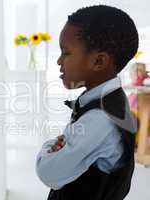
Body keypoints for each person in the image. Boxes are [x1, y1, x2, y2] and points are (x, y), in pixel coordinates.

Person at [36, 5, 138, 200]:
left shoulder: (99, 120)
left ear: (99, 61)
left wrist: (48, 146)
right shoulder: (109, 101)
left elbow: (48, 172)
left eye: (66, 52)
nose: (59, 61)